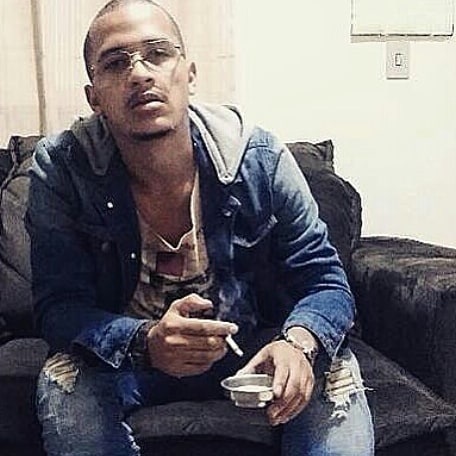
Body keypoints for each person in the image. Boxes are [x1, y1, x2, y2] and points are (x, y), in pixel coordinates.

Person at [26, 0, 374, 454]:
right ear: (95, 98)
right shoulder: (62, 169)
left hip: (254, 345)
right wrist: (145, 340)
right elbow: (59, 307)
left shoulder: (258, 159)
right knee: (65, 380)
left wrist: (298, 343)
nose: (140, 73)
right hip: (129, 357)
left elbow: (325, 281)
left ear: (189, 74)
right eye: (115, 62)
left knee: (331, 371)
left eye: (157, 53)